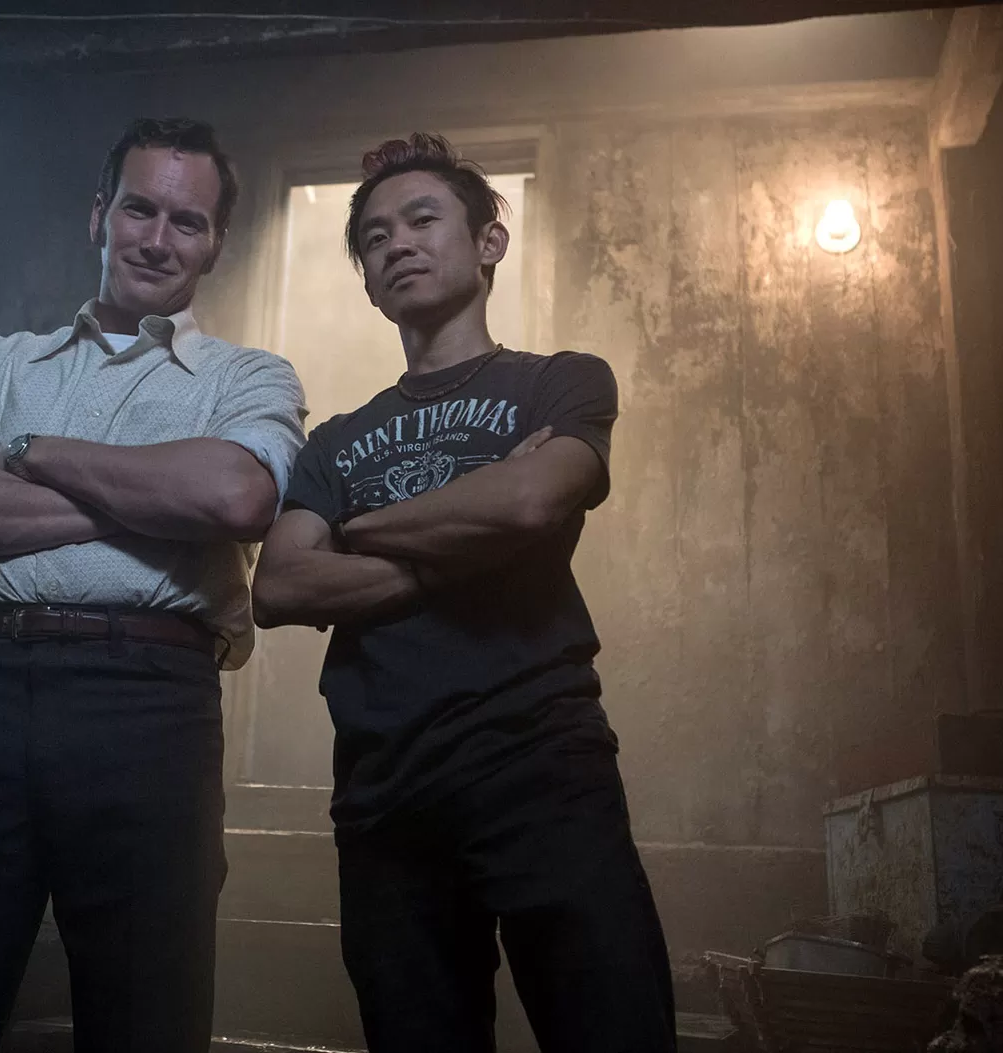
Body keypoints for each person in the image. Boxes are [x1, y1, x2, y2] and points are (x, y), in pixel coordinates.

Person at [0, 116, 306, 1053]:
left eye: (187, 222)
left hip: (148, 703)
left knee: (148, 1021)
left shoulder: (248, 377)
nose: (158, 239)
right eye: (140, 209)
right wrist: (150, 502)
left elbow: (234, 496)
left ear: (216, 243)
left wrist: (32, 453)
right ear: (99, 214)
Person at [252, 133, 674, 1053]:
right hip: (383, 788)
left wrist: (356, 526)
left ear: (489, 242)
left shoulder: (559, 381)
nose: (396, 244)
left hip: (540, 759)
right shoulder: (334, 441)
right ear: (368, 283)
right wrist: (469, 533)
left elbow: (530, 501)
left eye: (421, 219)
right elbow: (278, 583)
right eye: (374, 238)